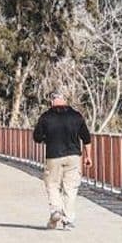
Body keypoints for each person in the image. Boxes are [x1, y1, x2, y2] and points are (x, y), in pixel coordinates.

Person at [31, 93, 92, 230]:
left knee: (52, 185)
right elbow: (86, 138)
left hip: (53, 156)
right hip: (74, 157)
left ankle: (56, 210)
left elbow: (37, 137)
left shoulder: (46, 117)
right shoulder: (76, 116)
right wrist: (88, 156)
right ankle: (68, 220)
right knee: (70, 188)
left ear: (52, 102)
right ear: (65, 101)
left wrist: (46, 138)